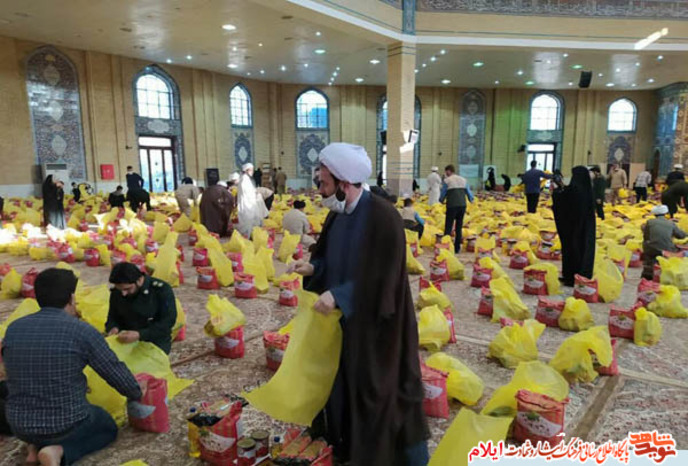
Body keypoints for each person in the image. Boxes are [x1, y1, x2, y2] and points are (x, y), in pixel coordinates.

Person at [289, 142, 428, 466]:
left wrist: (341, 295)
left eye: (324, 184)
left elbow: (385, 277)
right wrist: (313, 268)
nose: (320, 191)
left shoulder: (383, 216)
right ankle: (349, 448)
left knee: (382, 392)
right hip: (344, 325)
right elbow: (328, 259)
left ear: (344, 183)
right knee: (343, 387)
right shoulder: (336, 216)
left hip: (378, 329)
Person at [2, 268, 141, 465]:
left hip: (19, 425)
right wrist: (137, 392)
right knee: (105, 424)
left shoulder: (14, 328)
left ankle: (33, 447)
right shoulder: (81, 331)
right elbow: (113, 371)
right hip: (64, 425)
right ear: (71, 298)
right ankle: (58, 451)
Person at [106, 263, 177, 354]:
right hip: (125, 341)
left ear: (139, 280)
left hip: (154, 342)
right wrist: (113, 328)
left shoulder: (160, 290)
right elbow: (112, 316)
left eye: (127, 289)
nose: (123, 293)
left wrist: (140, 334)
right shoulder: (117, 292)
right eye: (120, 290)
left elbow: (167, 322)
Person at [553, 166, 596, 287]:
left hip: (573, 229)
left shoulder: (575, 190)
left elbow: (563, 201)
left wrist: (557, 192)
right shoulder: (587, 191)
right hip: (584, 228)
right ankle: (581, 276)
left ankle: (571, 276)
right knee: (582, 250)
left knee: (572, 250)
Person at [641, 205, 687, 280]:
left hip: (651, 249)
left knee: (647, 246)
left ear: (654, 214)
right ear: (666, 213)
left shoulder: (650, 222)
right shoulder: (671, 223)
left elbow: (646, 237)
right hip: (667, 249)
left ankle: (647, 271)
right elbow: (681, 236)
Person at [440, 165, 474, 254]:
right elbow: (468, 192)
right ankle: (457, 248)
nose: (446, 173)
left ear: (449, 171)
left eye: (446, 171)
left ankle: (446, 246)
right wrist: (471, 200)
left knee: (448, 226)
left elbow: (443, 192)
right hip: (462, 205)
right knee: (459, 227)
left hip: (452, 205)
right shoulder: (463, 180)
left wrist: (441, 200)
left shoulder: (447, 181)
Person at [237, 163, 269, 236]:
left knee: (252, 219)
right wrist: (255, 194)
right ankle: (248, 235)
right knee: (248, 219)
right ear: (247, 170)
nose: (252, 172)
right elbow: (247, 192)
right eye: (251, 170)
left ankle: (251, 234)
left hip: (249, 201)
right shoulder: (244, 179)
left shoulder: (246, 179)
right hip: (247, 202)